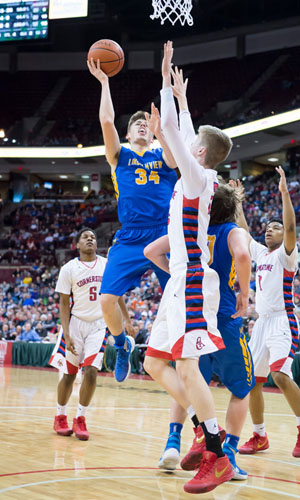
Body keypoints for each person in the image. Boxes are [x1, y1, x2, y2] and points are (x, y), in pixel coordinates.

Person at [144, 41, 234, 494]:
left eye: (191, 144)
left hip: (194, 281)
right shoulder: (195, 173)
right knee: (154, 362)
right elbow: (184, 133)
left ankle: (217, 454)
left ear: (199, 154)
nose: (183, 142)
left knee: (187, 368)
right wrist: (180, 99)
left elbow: (179, 139)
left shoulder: (198, 177)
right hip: (179, 282)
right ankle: (203, 428)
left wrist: (163, 81)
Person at [149, 183, 254, 480]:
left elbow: (152, 251)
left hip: (193, 314)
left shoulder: (190, 231)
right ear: (232, 209)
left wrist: (177, 274)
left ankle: (173, 441)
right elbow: (244, 254)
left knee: (189, 378)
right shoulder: (234, 232)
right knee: (241, 389)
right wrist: (244, 293)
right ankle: (228, 453)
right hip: (224, 316)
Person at [87, 57, 178, 384]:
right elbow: (107, 120)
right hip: (130, 237)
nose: (141, 124)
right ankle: (121, 343)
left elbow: (173, 155)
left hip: (165, 236)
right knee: (107, 300)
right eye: (136, 123)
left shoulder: (162, 156)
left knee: (179, 298)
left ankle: (182, 357)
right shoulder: (120, 156)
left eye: (145, 123)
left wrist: (161, 131)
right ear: (127, 135)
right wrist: (105, 82)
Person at [236, 167, 300, 458]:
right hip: (260, 324)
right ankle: (260, 436)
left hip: (283, 321)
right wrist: (237, 202)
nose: (270, 230)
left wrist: (284, 194)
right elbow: (244, 232)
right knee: (252, 381)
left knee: (280, 376)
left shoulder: (287, 255)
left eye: (274, 227)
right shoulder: (261, 253)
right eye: (268, 227)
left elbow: (289, 229)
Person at [49, 228, 132, 441]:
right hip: (75, 323)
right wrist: (66, 334)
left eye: (93, 237)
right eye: (85, 237)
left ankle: (80, 418)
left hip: (98, 325)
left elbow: (117, 294)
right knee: (69, 374)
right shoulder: (69, 268)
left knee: (92, 371)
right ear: (77, 245)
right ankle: (60, 416)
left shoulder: (106, 265)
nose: (90, 239)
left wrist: (126, 319)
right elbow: (64, 304)